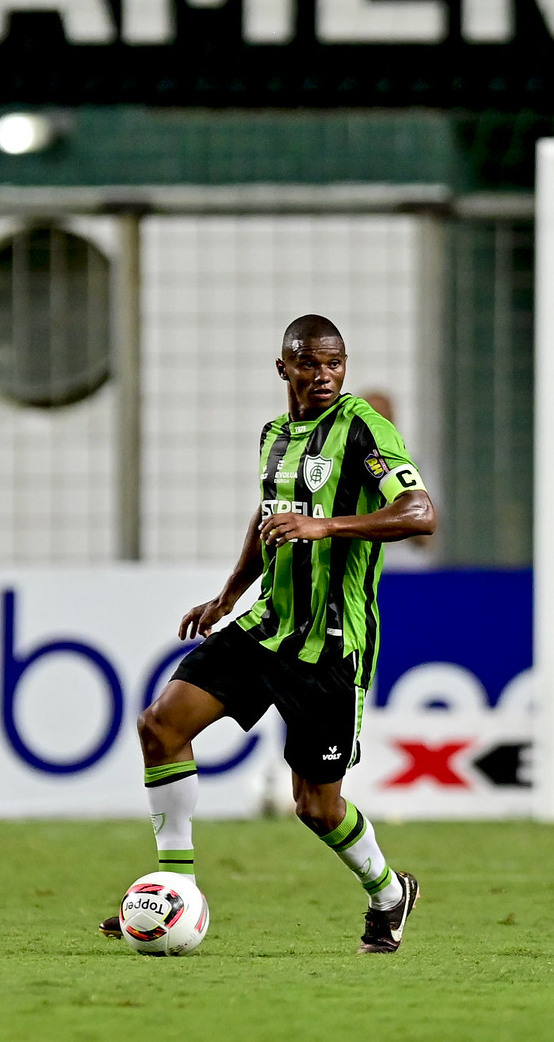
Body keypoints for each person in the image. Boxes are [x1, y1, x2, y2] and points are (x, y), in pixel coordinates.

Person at [100, 314, 437, 953]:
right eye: (309, 365)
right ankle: (176, 892)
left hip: (333, 646)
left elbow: (421, 513)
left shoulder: (363, 428)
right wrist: (230, 592)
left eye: (334, 364)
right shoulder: (275, 436)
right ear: (283, 368)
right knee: (160, 727)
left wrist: (328, 527)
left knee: (316, 807)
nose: (324, 376)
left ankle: (390, 893)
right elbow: (270, 515)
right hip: (267, 627)